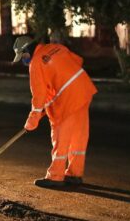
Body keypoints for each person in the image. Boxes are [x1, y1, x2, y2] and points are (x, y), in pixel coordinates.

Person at [13, 36, 97, 188]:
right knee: (78, 135)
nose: (24, 60)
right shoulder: (56, 47)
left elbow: (39, 96)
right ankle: (74, 174)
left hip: (68, 100)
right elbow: (77, 60)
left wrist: (32, 121)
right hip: (84, 89)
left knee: (60, 136)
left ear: (27, 50)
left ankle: (55, 177)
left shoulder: (35, 63)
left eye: (23, 56)